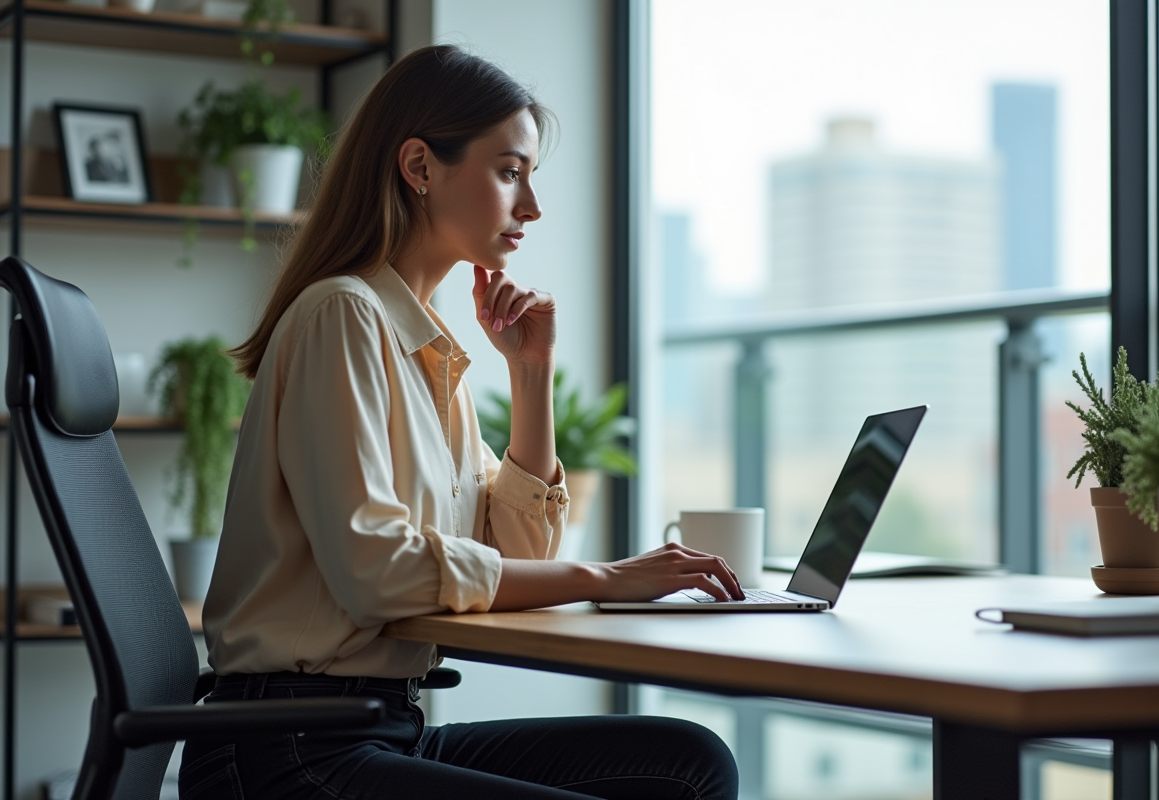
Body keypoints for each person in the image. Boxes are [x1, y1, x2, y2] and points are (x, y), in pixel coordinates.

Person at [179, 44, 742, 799]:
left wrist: (529, 373)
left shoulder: (426, 347)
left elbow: (515, 549)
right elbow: (376, 571)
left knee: (690, 762)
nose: (532, 207)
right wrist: (608, 577)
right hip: (285, 750)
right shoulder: (343, 315)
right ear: (419, 168)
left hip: (381, 728)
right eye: (510, 172)